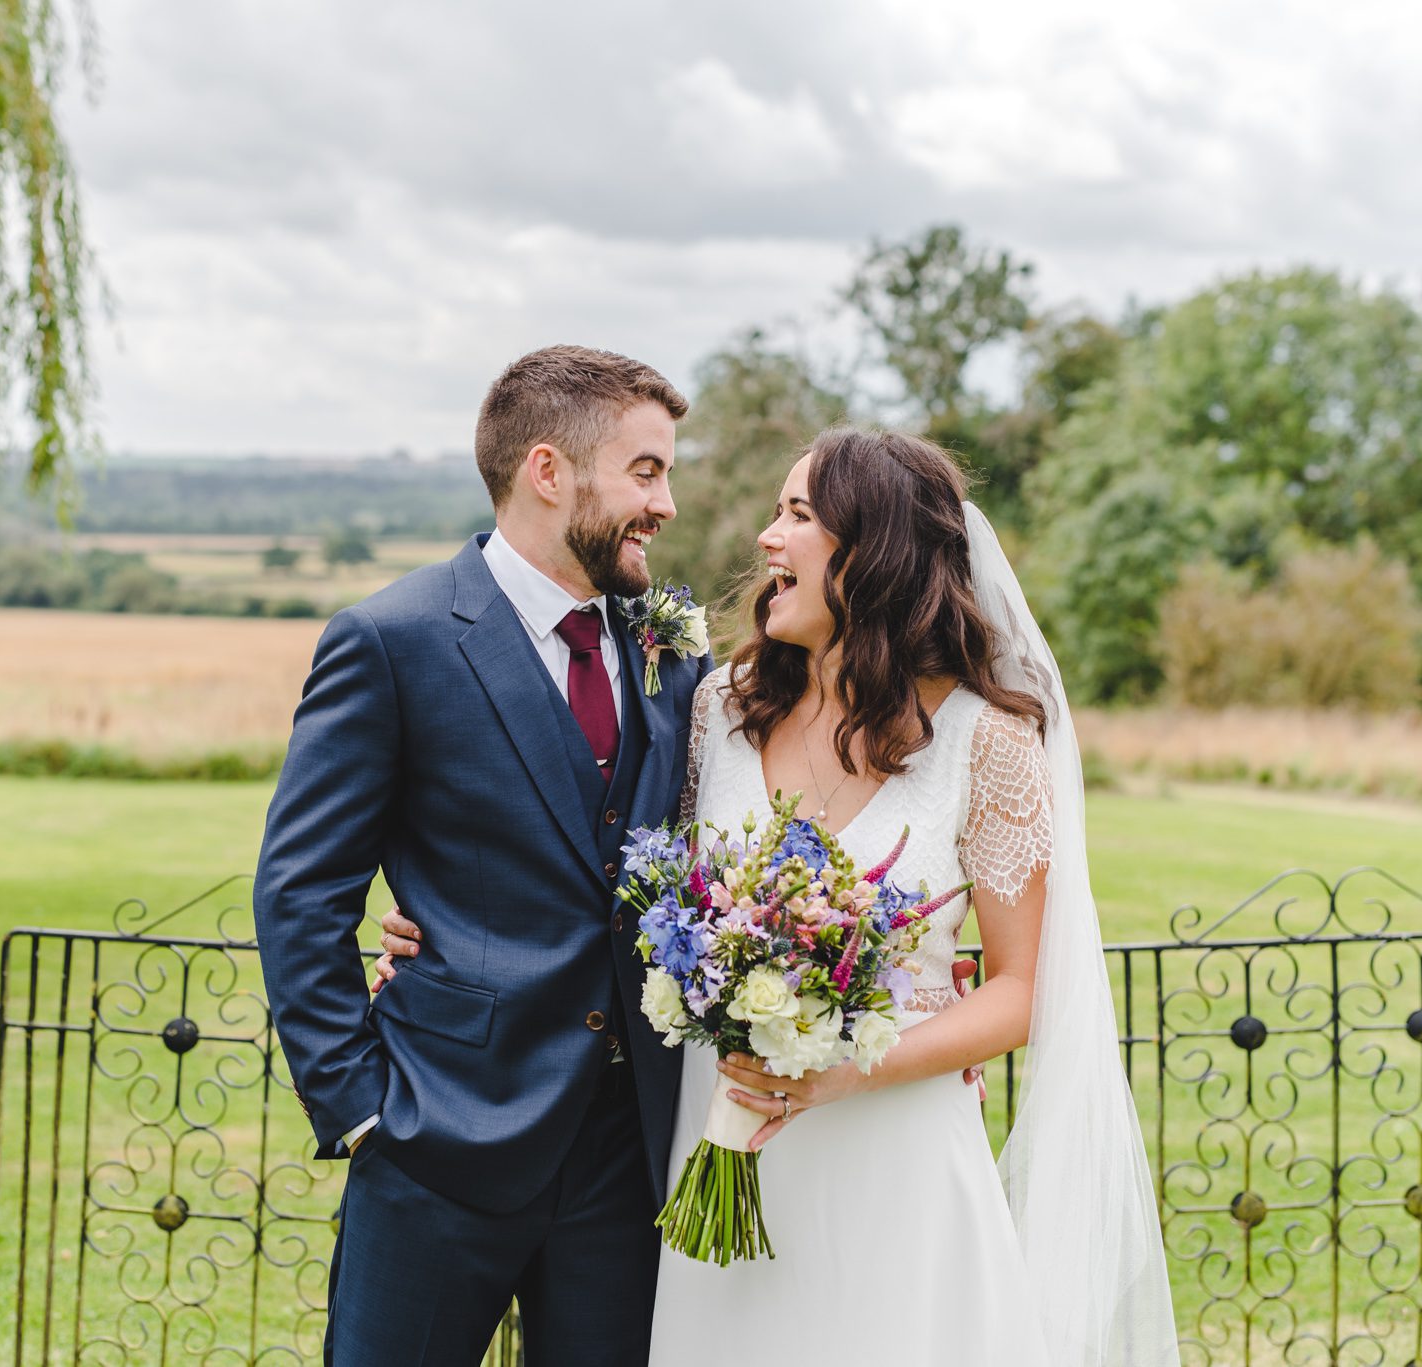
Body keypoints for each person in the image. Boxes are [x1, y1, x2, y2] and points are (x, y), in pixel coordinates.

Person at [386, 427, 1179, 1364]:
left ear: (875, 548)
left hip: (895, 1156)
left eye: (797, 514)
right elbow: (618, 876)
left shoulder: (984, 743)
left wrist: (853, 1066)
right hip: (717, 1143)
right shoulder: (719, 710)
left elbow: (1020, 988)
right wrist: (453, 930)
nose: (767, 537)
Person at [252, 344, 708, 1367]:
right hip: (436, 1141)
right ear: (548, 471)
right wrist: (362, 1108)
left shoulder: (671, 653)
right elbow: (300, 890)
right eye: (645, 471)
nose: (666, 503)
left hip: (622, 1154)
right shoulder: (393, 639)